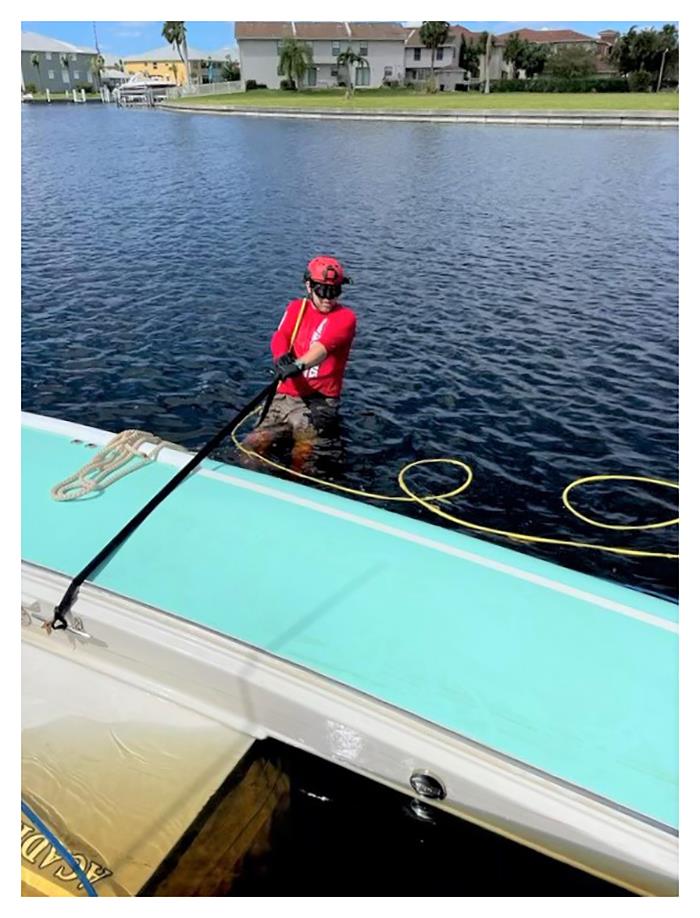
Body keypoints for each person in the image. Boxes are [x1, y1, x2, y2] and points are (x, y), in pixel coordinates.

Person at [241, 255, 357, 473]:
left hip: (317, 401)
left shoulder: (345, 318)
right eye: (323, 291)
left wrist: (297, 365)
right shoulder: (296, 308)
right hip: (285, 395)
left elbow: (322, 349)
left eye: (335, 291)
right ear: (308, 286)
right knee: (252, 446)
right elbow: (281, 335)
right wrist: (281, 356)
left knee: (302, 459)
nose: (328, 298)